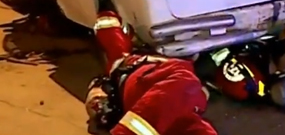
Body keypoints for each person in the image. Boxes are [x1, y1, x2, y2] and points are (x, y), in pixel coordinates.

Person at [86, 10, 218, 135]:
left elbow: (110, 34)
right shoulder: (130, 97)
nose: (98, 105)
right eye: (98, 110)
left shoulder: (121, 67)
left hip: (173, 78)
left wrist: (104, 11)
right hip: (182, 87)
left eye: (95, 102)